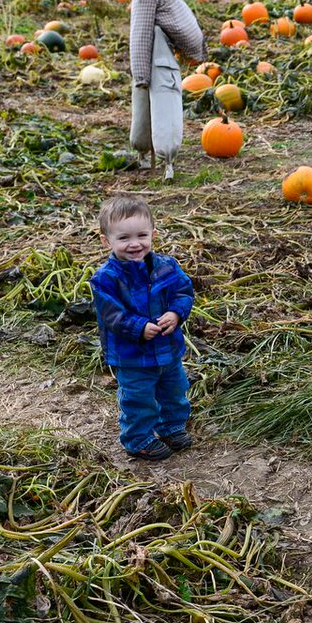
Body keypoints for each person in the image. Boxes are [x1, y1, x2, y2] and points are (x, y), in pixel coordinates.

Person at [90, 197, 196, 462]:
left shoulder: (167, 267)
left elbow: (183, 292)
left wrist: (175, 313)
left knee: (174, 390)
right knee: (138, 399)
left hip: (167, 349)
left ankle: (171, 427)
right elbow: (111, 315)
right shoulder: (105, 279)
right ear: (107, 241)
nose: (134, 243)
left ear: (153, 235)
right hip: (132, 356)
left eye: (142, 235)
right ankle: (138, 439)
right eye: (124, 237)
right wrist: (138, 327)